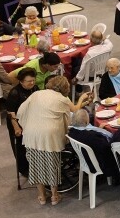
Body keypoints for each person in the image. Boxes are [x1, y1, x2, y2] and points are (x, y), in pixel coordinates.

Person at [16, 76, 93, 205]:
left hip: (31, 133)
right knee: (52, 165)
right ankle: (54, 196)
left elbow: (21, 111)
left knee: (36, 164)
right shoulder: (62, 99)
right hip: (49, 135)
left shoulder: (37, 94)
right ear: (65, 88)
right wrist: (81, 99)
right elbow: (74, 109)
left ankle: (41, 196)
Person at [5, 67, 39, 179]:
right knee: (20, 147)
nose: (32, 83)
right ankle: (24, 169)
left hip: (31, 119)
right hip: (16, 121)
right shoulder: (14, 93)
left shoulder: (35, 88)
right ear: (21, 81)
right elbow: (11, 112)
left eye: (33, 80)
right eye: (29, 81)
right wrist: (16, 128)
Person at [66, 108, 117, 179]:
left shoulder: (72, 132)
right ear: (86, 121)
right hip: (98, 163)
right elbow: (106, 147)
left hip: (85, 160)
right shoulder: (91, 136)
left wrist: (99, 130)